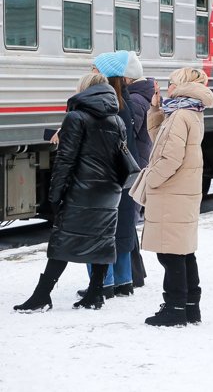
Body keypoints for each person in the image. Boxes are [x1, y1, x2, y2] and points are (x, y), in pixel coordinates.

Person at [14, 73, 125, 312]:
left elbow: (65, 160)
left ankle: (42, 295)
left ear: (84, 89)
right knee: (101, 241)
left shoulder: (76, 117)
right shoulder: (116, 120)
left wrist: (54, 195)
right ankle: (95, 294)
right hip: (109, 190)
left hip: (82, 190)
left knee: (62, 241)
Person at [142, 67, 213, 326]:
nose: (167, 88)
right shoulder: (190, 112)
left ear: (182, 85)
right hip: (182, 190)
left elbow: (170, 157)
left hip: (171, 192)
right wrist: (155, 111)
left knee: (169, 253)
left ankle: (174, 309)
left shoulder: (179, 115)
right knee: (183, 251)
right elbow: (161, 142)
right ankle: (189, 306)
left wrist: (150, 180)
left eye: (171, 83)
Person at [86, 50, 139, 298]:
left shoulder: (103, 106)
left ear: (105, 75)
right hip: (124, 175)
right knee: (122, 227)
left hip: (105, 177)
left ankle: (103, 283)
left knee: (101, 228)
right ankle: (123, 281)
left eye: (95, 69)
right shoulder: (124, 104)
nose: (91, 72)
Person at [124, 51, 152, 288]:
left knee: (128, 221)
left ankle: (134, 275)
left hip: (134, 163)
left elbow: (128, 134)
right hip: (139, 161)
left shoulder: (135, 100)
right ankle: (135, 274)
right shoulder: (141, 96)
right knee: (128, 222)